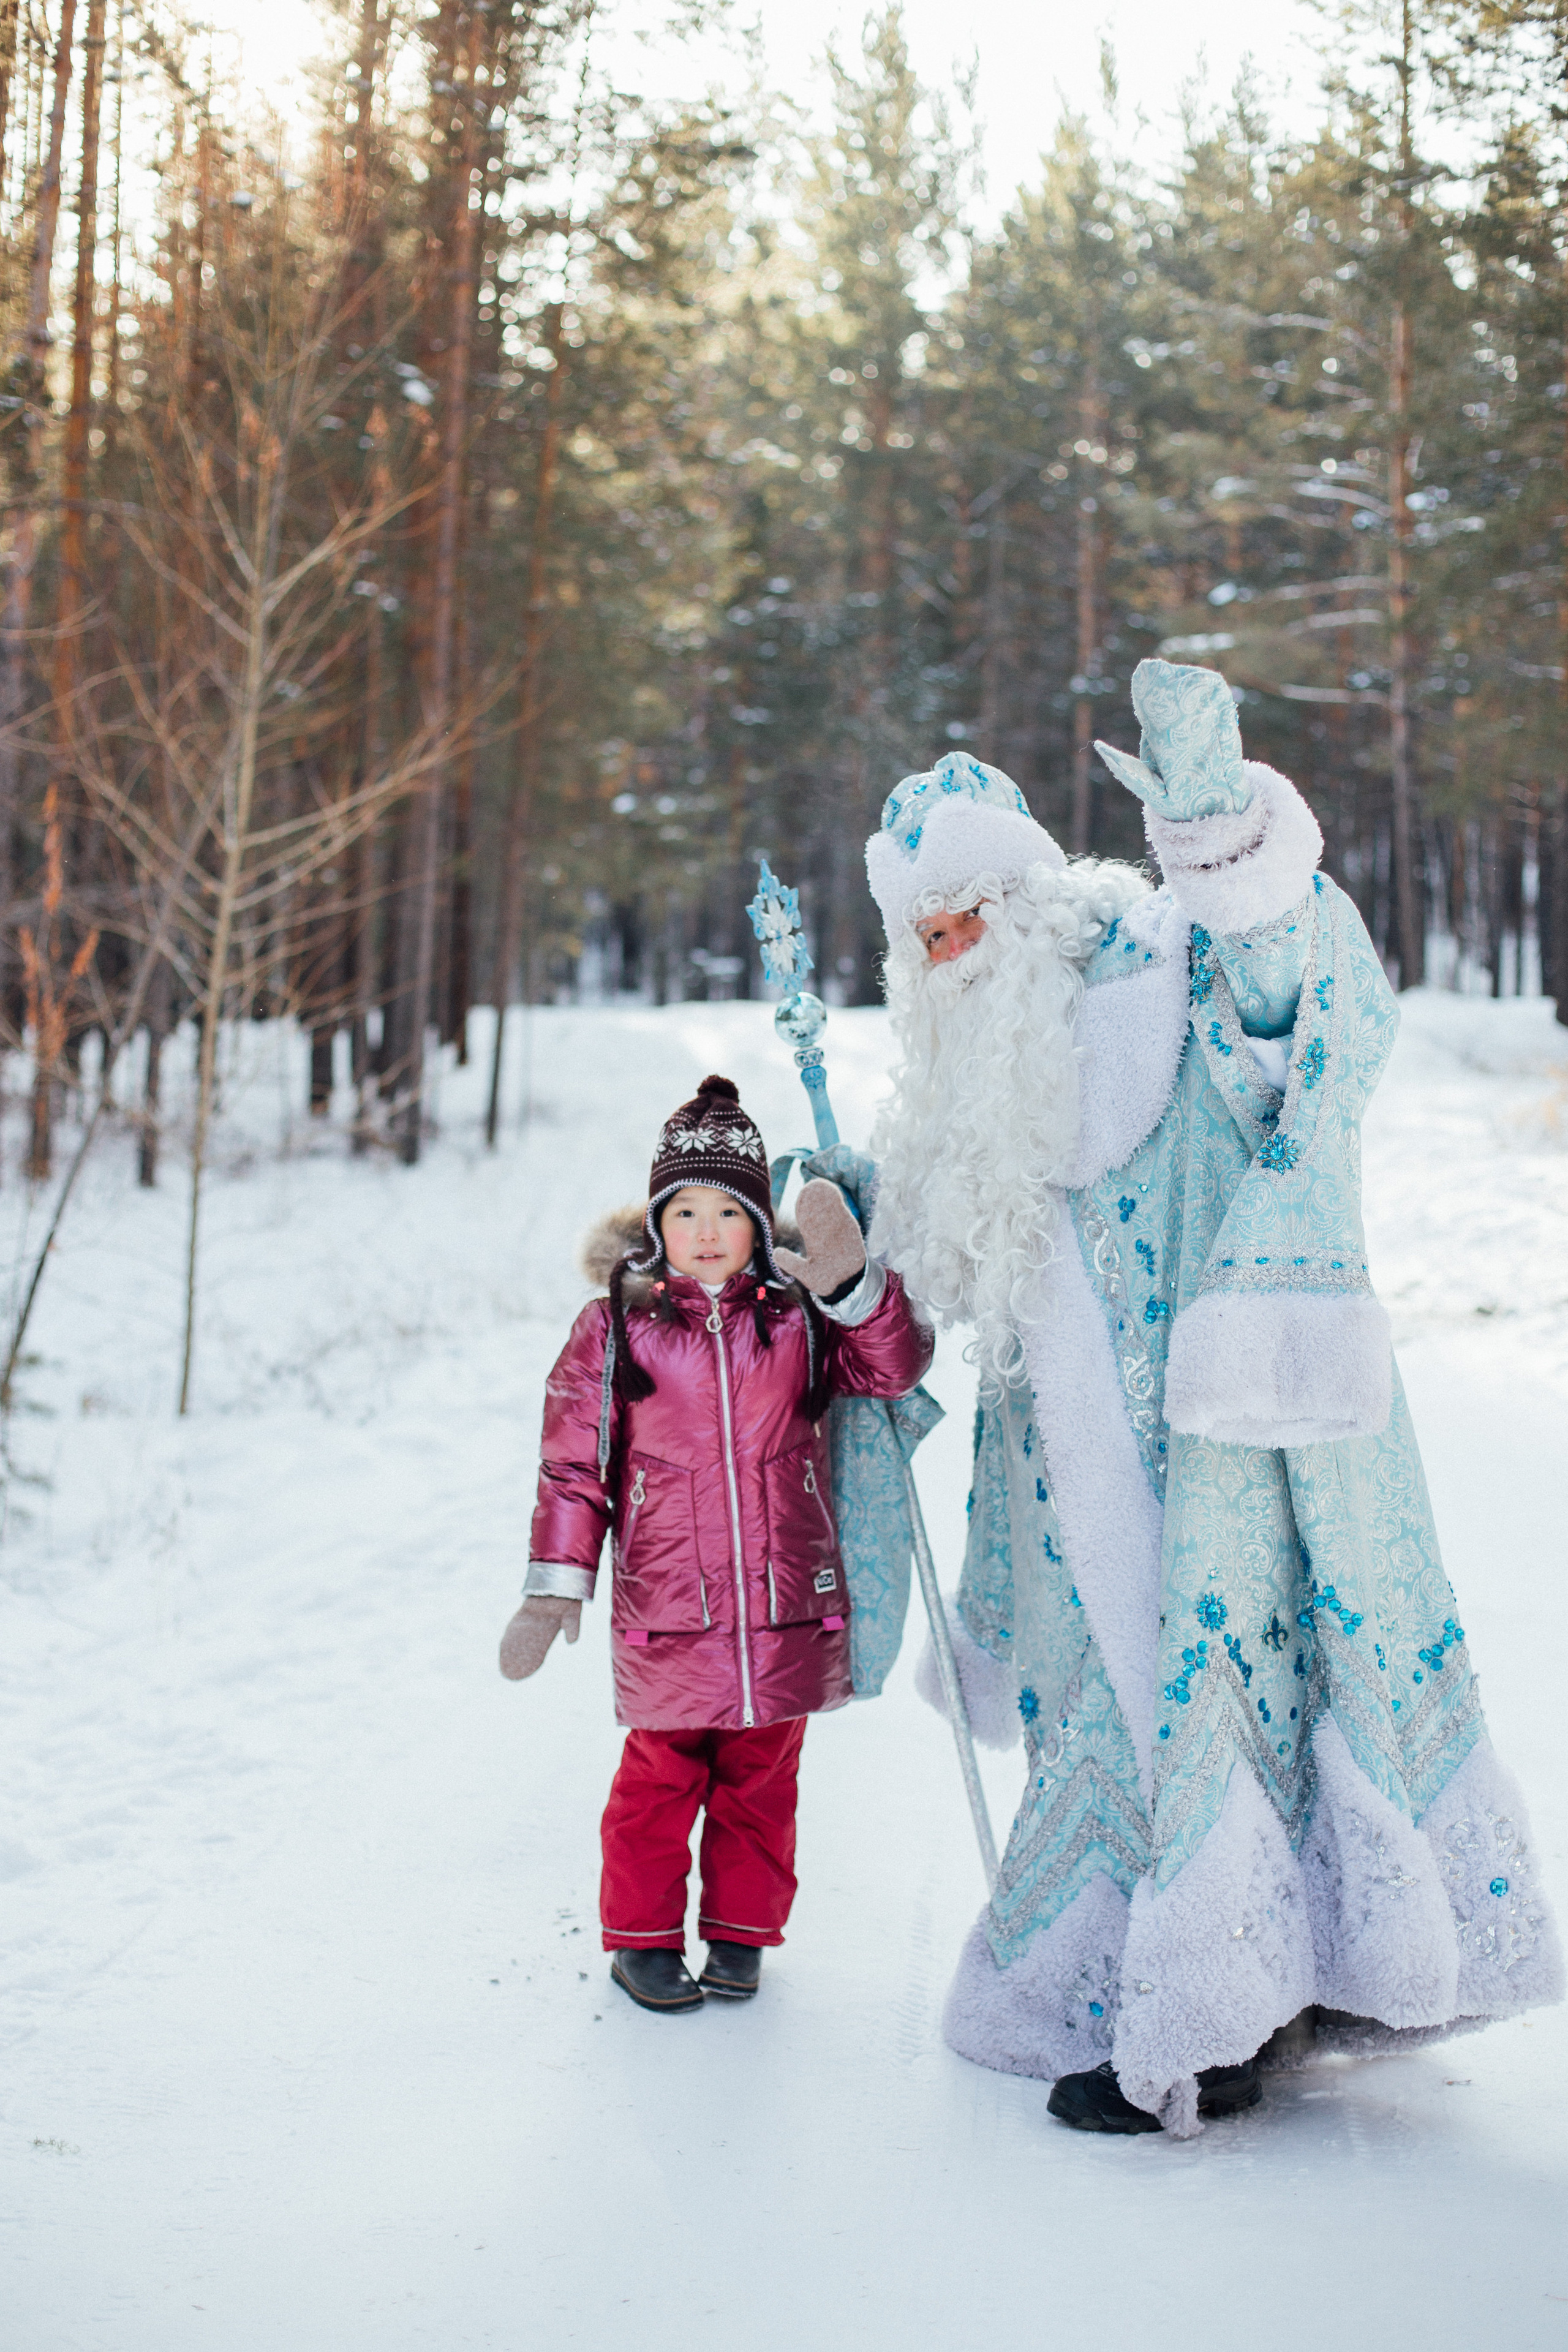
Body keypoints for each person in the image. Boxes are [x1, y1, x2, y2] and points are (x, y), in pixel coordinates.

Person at [865, 658, 1562, 2135]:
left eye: (970, 922)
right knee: (1111, 1734)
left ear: (1038, 910)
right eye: (921, 940)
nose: (949, 957)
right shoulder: (982, 1083)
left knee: (1225, 1711)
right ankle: (1163, 1987)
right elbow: (952, 1245)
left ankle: (1216, 2023)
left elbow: (1288, 977)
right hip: (1066, 1495)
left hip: (1225, 1461)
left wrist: (1214, 817)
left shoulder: (1153, 977)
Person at [497, 1074, 933, 2013]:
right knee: (659, 1780)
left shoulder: (797, 1320)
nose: (703, 1231)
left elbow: (895, 1366)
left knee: (763, 1785)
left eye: (725, 1211)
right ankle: (644, 1941)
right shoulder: (619, 1326)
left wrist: (852, 1288)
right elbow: (575, 1460)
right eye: (683, 1210)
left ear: (758, 1223)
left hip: (786, 1604)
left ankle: (740, 1938)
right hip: (669, 1607)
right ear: (657, 1224)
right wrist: (554, 1586)